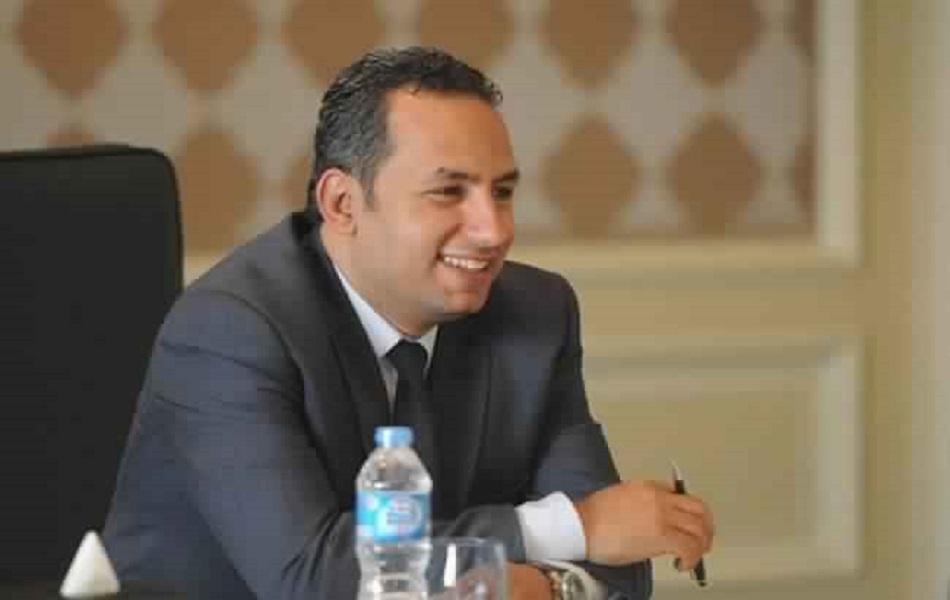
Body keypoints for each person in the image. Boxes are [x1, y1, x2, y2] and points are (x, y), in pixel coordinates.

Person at [103, 46, 714, 599]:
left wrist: (552, 586)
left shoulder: (536, 311)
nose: (493, 231)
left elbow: (623, 556)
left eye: (502, 192)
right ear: (342, 203)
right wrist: (566, 528)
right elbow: (309, 575)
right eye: (449, 192)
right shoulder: (229, 328)